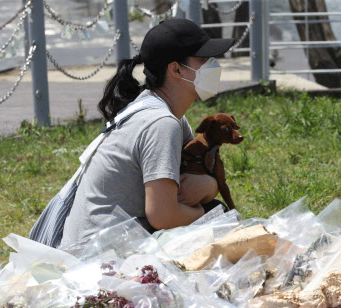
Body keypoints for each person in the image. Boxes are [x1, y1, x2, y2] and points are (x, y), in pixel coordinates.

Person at [60, 19, 233, 247]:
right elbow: (163, 216)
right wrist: (210, 212)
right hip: (100, 258)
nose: (213, 65)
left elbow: (199, 175)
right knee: (220, 218)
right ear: (176, 69)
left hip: (97, 246)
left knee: (217, 215)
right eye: (203, 59)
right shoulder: (161, 123)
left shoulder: (160, 112)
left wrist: (210, 186)